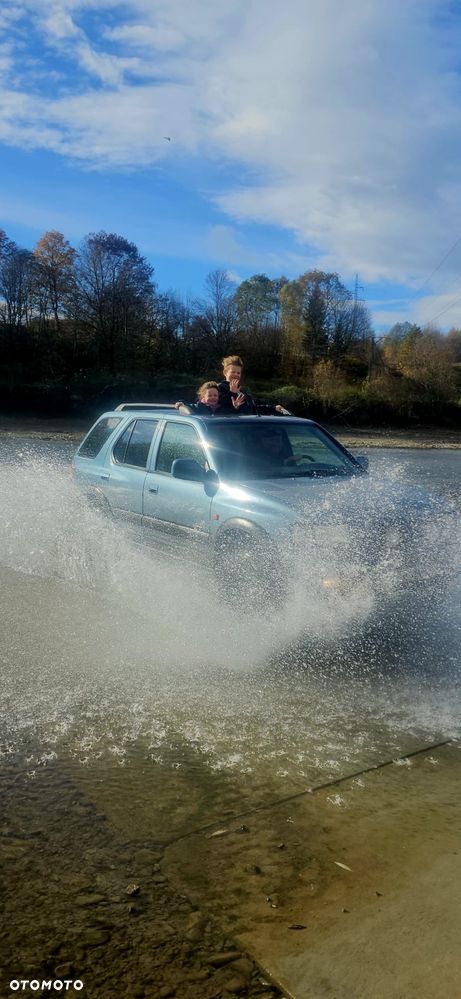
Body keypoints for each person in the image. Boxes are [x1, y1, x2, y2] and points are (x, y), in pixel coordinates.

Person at [218, 355, 291, 416]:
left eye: (238, 373)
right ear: (225, 373)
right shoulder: (219, 388)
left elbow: (253, 408)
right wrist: (232, 393)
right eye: (233, 372)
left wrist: (273, 408)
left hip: (249, 427)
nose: (236, 375)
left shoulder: (243, 391)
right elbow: (221, 409)